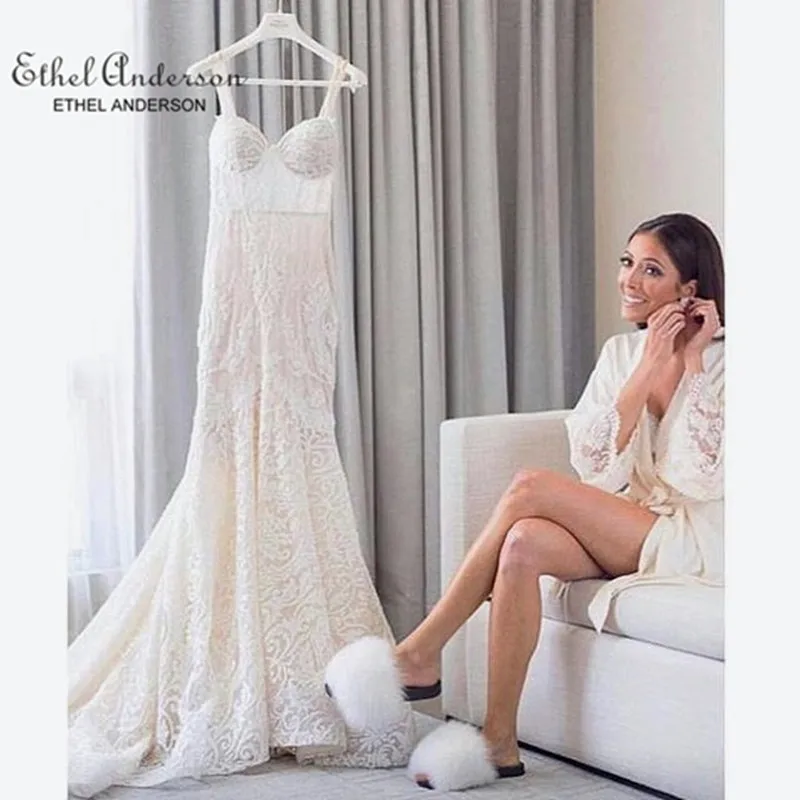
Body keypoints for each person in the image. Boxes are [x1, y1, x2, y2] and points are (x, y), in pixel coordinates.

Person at [324, 212, 724, 792]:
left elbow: (702, 477)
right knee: (522, 543)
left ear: (689, 289)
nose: (630, 280)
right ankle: (498, 741)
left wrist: (691, 362)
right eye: (627, 262)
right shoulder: (622, 353)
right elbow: (597, 466)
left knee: (529, 487)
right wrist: (645, 369)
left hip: (699, 538)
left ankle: (419, 650)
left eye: (652, 270)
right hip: (637, 522)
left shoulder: (724, 362)